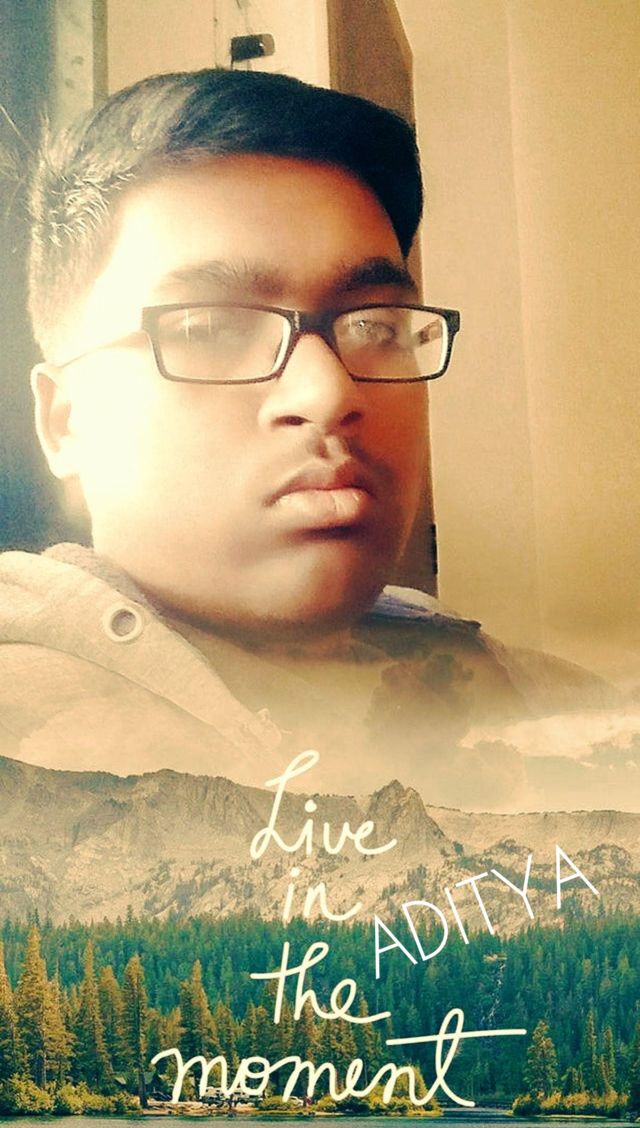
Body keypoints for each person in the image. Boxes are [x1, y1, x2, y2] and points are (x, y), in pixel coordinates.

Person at [0, 68, 618, 809]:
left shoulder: (570, 714)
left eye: (375, 326)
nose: (329, 393)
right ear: (65, 420)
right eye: (209, 327)